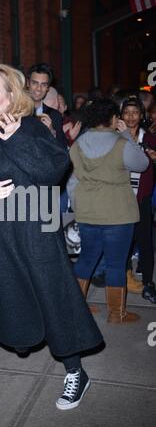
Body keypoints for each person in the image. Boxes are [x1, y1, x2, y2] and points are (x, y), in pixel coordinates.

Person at [0, 63, 103, 417]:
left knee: (54, 306)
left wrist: (14, 137)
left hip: (32, 238)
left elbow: (54, 171)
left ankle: (76, 373)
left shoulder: (29, 128)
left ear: (11, 97)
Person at [67, 98, 149, 322]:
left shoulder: (78, 144)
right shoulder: (121, 143)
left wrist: (79, 206)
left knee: (86, 259)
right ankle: (116, 313)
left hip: (88, 213)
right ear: (113, 118)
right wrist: (126, 136)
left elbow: (72, 181)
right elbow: (142, 164)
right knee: (116, 263)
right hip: (117, 214)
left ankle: (75, 308)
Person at [121, 97, 156, 304]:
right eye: (127, 112)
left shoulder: (150, 138)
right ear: (121, 115)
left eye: (135, 113)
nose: (131, 117)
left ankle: (148, 283)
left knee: (145, 241)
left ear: (141, 115)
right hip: (121, 198)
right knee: (124, 239)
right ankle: (125, 277)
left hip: (141, 197)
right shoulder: (116, 137)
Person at [26, 63, 67, 148]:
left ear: (48, 88)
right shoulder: (16, 112)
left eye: (43, 85)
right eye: (35, 83)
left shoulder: (55, 116)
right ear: (28, 83)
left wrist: (51, 132)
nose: (39, 89)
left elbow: (63, 151)